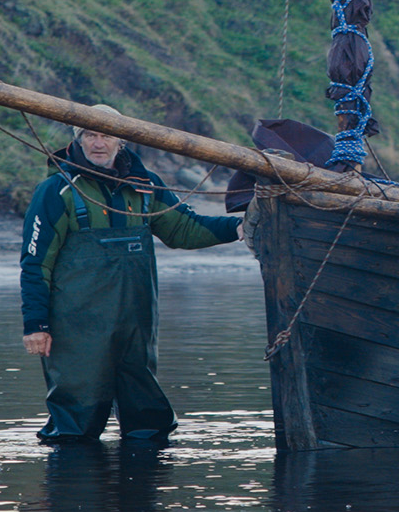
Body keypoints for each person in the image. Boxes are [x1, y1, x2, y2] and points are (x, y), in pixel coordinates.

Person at [20, 106, 241, 443]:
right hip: (78, 331)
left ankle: (142, 488)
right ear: (77, 139)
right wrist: (35, 325)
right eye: (89, 135)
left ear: (120, 140)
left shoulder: (146, 187)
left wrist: (239, 228)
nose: (97, 143)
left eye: (105, 134)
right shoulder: (56, 190)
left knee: (150, 427)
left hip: (136, 327)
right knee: (75, 429)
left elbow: (184, 228)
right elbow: (36, 263)